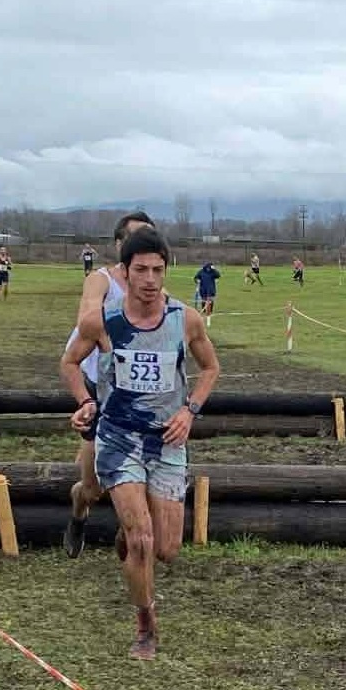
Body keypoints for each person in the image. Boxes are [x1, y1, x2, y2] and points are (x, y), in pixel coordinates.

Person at [60, 226, 220, 658]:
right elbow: (70, 362)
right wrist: (85, 402)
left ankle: (131, 536)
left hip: (166, 441)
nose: (150, 279)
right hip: (118, 438)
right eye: (141, 270)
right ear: (125, 272)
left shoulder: (185, 320)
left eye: (157, 270)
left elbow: (210, 368)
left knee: (166, 549)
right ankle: (146, 623)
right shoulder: (102, 321)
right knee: (142, 541)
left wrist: (189, 411)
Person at [59, 211, 156, 558]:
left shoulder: (155, 287)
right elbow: (87, 316)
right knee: (93, 488)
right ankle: (78, 510)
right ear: (119, 245)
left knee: (149, 474)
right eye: (134, 238)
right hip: (99, 388)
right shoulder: (101, 280)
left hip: (138, 393)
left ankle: (130, 532)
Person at [193, 261, 220, 325]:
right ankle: (204, 311)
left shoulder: (213, 272)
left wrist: (214, 269)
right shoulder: (201, 271)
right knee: (204, 300)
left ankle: (210, 312)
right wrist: (197, 281)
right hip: (203, 289)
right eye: (208, 268)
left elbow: (218, 275)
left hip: (211, 289)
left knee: (210, 301)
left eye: (210, 268)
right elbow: (196, 277)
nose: (208, 269)